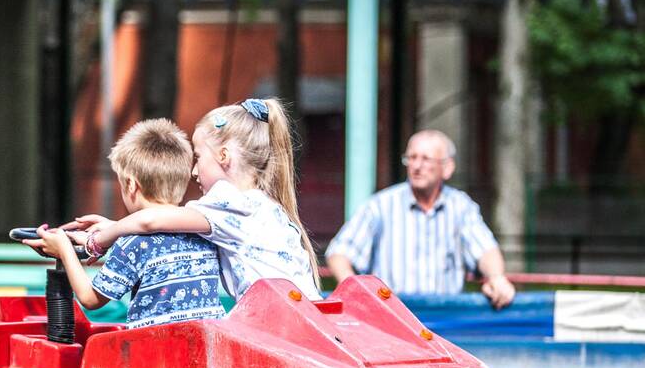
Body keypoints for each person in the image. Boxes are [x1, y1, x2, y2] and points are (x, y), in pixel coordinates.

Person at [62, 98, 321, 301]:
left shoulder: (228, 202)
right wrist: (113, 226)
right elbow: (165, 225)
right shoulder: (263, 204)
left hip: (281, 327)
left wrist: (98, 241)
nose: (194, 170)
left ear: (223, 156)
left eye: (198, 157)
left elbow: (152, 221)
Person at [29, 119, 225, 328]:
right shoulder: (203, 230)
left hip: (156, 353)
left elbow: (90, 299)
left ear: (131, 184)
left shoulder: (132, 245)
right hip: (205, 348)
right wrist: (113, 230)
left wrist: (64, 250)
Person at [325, 129, 516, 309]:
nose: (416, 166)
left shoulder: (461, 206)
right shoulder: (381, 205)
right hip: (392, 322)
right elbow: (339, 253)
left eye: (426, 159)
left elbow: (485, 250)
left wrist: (497, 277)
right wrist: (355, 291)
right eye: (411, 158)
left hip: (445, 324)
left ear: (447, 168)